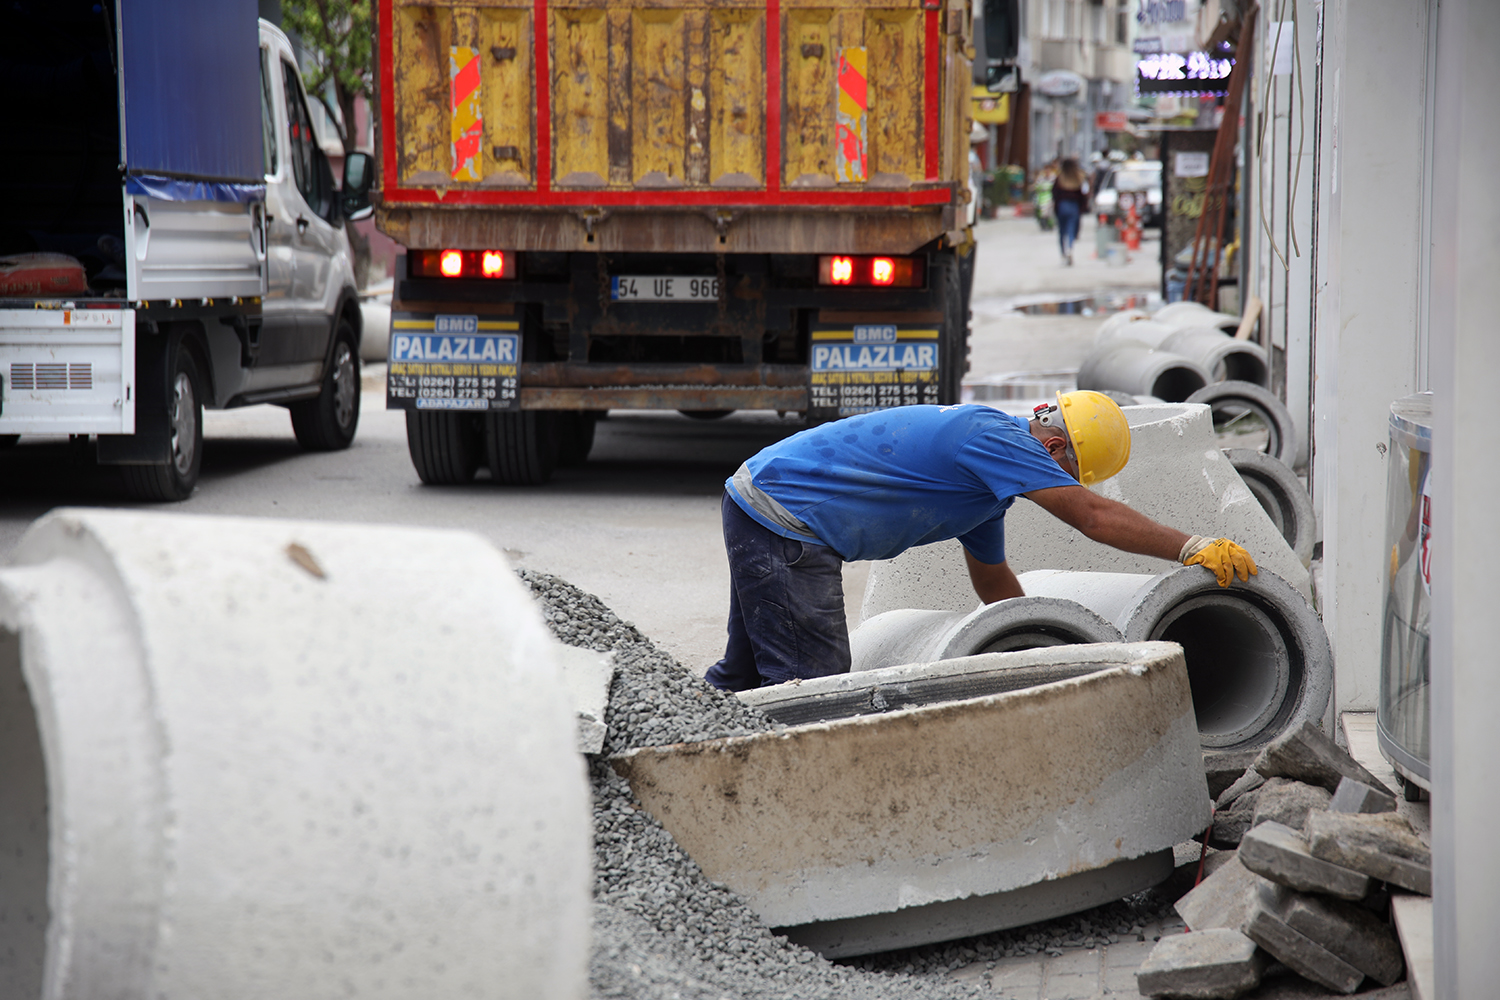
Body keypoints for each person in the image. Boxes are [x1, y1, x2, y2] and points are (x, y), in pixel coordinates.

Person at [705, 393, 1257, 691]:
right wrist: (1190, 546)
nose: (1062, 484)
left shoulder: (982, 492)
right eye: (1068, 472)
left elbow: (994, 583)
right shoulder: (997, 437)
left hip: (766, 502)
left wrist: (1048, 649)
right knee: (813, 690)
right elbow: (1091, 515)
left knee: (746, 675)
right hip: (786, 517)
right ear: (1057, 445)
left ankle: (692, 740)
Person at [1053, 157, 1089, 265]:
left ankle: (1063, 253)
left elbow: (1055, 194)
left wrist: (1056, 207)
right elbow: (1083, 195)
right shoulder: (1077, 179)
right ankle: (1069, 248)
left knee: (1062, 231)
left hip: (1062, 206)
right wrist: (1083, 208)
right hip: (1074, 206)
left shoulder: (1059, 179)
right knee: (1071, 229)